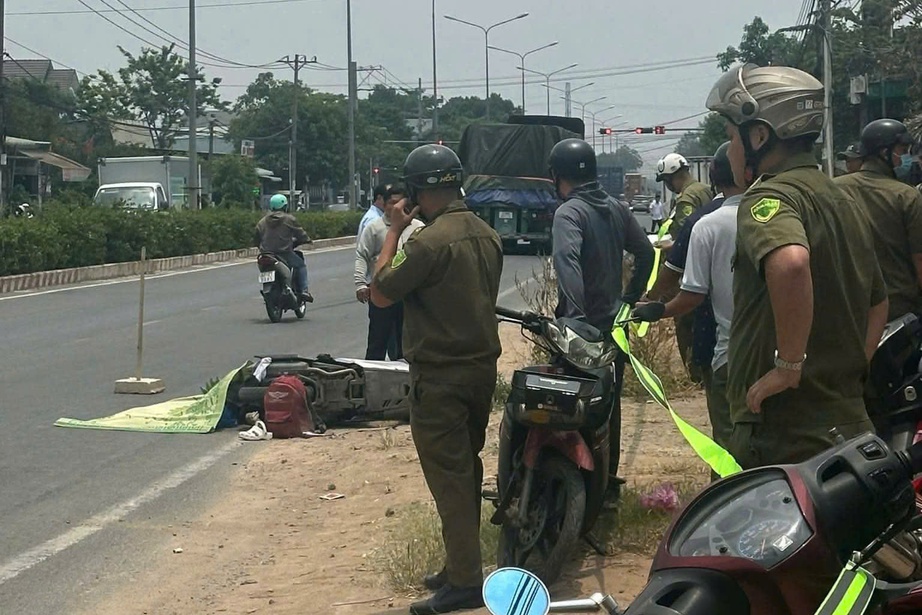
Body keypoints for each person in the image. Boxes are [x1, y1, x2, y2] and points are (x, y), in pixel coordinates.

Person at [706, 63, 888, 469]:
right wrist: (850, 372)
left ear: (759, 136)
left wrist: (788, 367)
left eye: (733, 137)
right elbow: (878, 302)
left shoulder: (769, 198)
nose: (731, 149)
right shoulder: (843, 199)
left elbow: (790, 263)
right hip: (848, 420)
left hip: (785, 431)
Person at [370, 144, 502, 615]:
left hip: (440, 377)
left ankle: (465, 582)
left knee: (449, 478)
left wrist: (393, 232)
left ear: (419, 191)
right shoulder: (486, 234)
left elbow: (381, 293)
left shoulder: (426, 243)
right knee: (466, 467)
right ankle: (458, 564)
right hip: (480, 372)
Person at [549, 138, 655, 505]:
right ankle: (606, 484)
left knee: (568, 404)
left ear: (556, 176)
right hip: (615, 328)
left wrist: (574, 320)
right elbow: (645, 253)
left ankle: (570, 483)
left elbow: (568, 263)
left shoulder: (568, 213)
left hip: (582, 331)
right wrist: (628, 299)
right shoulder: (616, 208)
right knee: (608, 404)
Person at [633, 142, 742, 455]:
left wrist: (655, 308)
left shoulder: (703, 222)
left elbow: (690, 295)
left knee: (725, 442)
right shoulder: (778, 212)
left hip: (724, 351)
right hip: (772, 355)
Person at [835, 119, 922, 320]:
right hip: (898, 312)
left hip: (846, 310)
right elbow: (919, 260)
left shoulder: (832, 189)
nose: (907, 156)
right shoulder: (906, 196)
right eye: (902, 150)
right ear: (885, 153)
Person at [653, 153, 714, 383]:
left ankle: (694, 372)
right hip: (711, 264)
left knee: (684, 320)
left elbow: (684, 237)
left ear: (672, 178)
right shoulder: (705, 189)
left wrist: (669, 246)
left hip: (691, 268)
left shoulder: (686, 199)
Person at [355, 185, 424, 360]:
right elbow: (362, 255)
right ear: (384, 204)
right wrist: (360, 284)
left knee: (406, 341)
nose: (395, 207)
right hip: (380, 291)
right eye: (391, 202)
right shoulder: (374, 228)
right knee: (378, 340)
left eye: (400, 203)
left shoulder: (418, 228)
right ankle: (371, 379)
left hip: (409, 293)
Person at [255, 194, 313, 302]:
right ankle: (304, 290)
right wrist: (307, 239)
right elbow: (300, 233)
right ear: (285, 206)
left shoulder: (261, 222)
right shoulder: (289, 219)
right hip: (284, 253)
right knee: (300, 265)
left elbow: (256, 240)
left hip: (266, 255)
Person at [655, 152, 714, 234]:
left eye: (665, 181)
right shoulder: (706, 189)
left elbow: (684, 235)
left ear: (669, 179)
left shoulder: (686, 199)